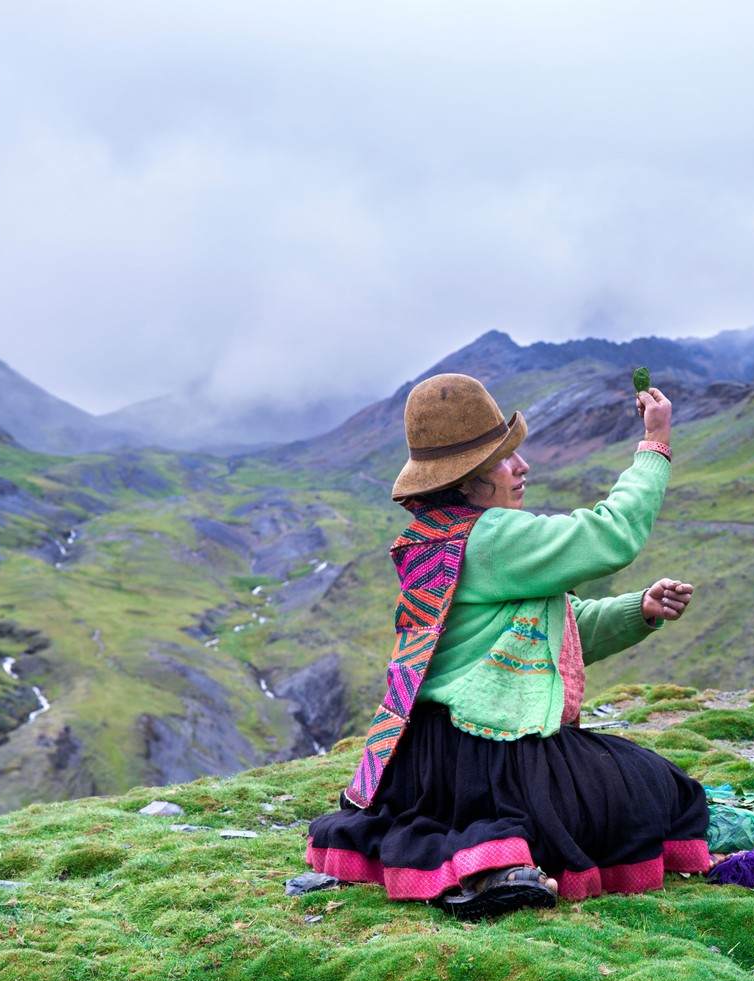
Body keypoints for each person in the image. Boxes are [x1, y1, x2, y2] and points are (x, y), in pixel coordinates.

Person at [304, 371, 710, 918]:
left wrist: (636, 611)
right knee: (656, 789)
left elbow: (543, 640)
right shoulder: (492, 536)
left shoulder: (437, 536)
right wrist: (654, 447)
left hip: (431, 757)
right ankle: (494, 863)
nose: (522, 467)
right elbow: (612, 536)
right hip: (495, 751)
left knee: (622, 782)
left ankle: (490, 862)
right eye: (503, 459)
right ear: (466, 481)